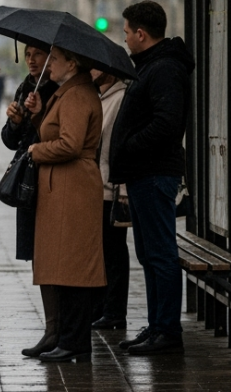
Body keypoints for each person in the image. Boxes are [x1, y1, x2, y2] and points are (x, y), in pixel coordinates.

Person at [109, 0, 194, 355]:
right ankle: (158, 325)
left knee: (160, 254)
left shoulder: (164, 69)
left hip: (155, 174)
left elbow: (167, 123)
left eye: (127, 32)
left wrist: (128, 145)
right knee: (148, 253)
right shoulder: (150, 66)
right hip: (144, 174)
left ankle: (168, 332)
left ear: (141, 34)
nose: (125, 38)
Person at [23, 46, 105, 363]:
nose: (48, 65)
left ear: (72, 62)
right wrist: (37, 114)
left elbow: (70, 144)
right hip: (65, 186)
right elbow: (58, 131)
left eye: (53, 60)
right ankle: (67, 338)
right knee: (64, 265)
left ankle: (75, 341)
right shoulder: (66, 92)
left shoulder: (77, 94)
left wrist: (35, 151)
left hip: (74, 186)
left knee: (74, 267)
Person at [2, 45, 61, 357]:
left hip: (52, 178)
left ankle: (59, 329)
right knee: (39, 253)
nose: (32, 60)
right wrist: (14, 121)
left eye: (39, 54)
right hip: (29, 179)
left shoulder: (61, 89)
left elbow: (56, 136)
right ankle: (52, 328)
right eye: (28, 54)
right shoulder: (26, 86)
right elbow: (12, 140)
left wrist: (37, 114)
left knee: (53, 252)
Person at [90, 68, 129, 331]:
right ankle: (104, 308)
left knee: (113, 250)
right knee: (103, 250)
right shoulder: (101, 97)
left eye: (94, 66)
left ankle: (114, 311)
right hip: (97, 186)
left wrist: (121, 190)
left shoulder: (120, 98)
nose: (90, 70)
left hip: (110, 187)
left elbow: (117, 145)